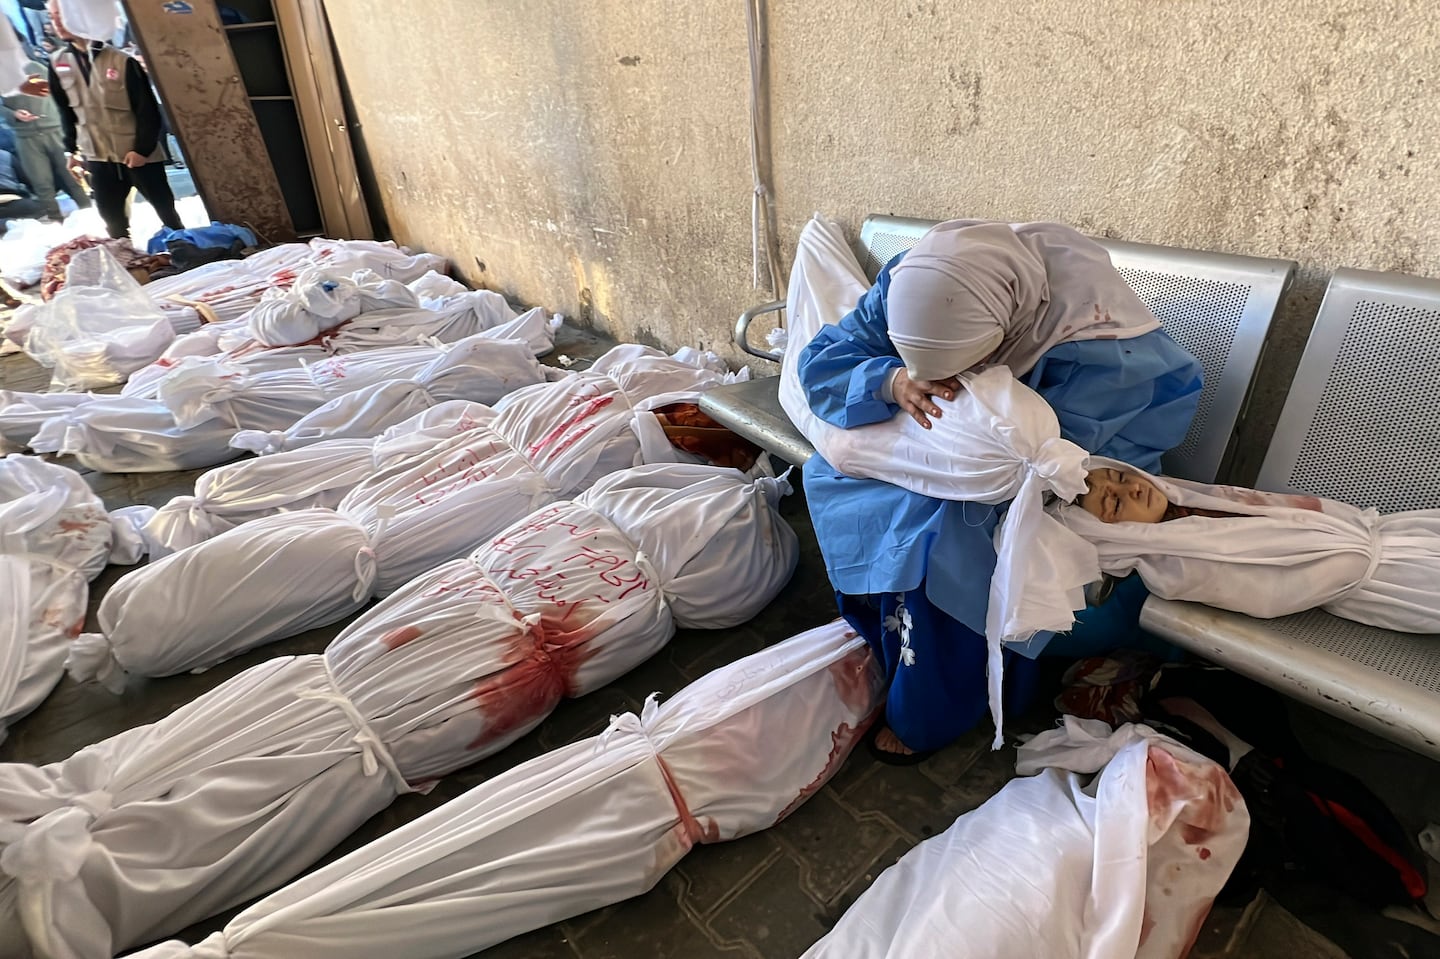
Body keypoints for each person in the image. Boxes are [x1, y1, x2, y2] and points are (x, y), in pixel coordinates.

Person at [797, 219, 1204, 761]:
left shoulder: (1098, 346)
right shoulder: (917, 285)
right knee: (834, 475)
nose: (956, 377)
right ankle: (891, 641)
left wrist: (951, 447)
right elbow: (826, 362)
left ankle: (936, 708)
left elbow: (1068, 466)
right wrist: (892, 381)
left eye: (972, 361)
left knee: (944, 537)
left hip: (1076, 474)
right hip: (958, 454)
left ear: (1006, 328)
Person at [1062, 458, 1440, 634]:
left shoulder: (1187, 499)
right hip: (1386, 582)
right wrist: (1345, 559)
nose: (1133, 488)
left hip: (1391, 536)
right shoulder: (1172, 568)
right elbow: (1270, 594)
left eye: (1121, 476)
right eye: (1114, 503)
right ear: (1108, 537)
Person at [44, 0, 183, 239]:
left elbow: (147, 111)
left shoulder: (120, 61)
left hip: (137, 156)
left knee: (166, 212)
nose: (56, 22)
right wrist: (71, 152)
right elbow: (66, 113)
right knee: (113, 221)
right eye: (53, 17)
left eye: (61, 15)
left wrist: (142, 149)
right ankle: (134, 267)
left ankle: (186, 254)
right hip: (97, 157)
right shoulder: (58, 63)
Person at [1, 59, 91, 220]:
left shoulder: (36, 67)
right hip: (25, 135)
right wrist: (13, 114)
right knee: (42, 184)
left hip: (55, 129)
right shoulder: (3, 74)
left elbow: (62, 93)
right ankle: (57, 223)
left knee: (72, 177)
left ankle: (90, 215)